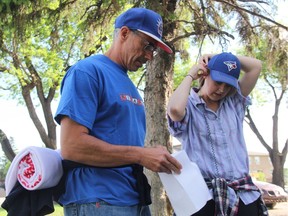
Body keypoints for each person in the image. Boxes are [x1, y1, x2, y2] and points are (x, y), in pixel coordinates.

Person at [54, 7, 182, 216]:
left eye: (154, 50)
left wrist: (151, 154)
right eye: (147, 45)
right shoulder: (87, 71)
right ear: (124, 33)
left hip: (134, 199)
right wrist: (141, 155)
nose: (150, 56)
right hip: (97, 200)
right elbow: (72, 146)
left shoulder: (128, 83)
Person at [167, 52, 268, 216]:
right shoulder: (189, 106)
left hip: (243, 196)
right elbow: (175, 110)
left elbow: (256, 66)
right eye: (218, 82)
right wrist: (190, 75)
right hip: (203, 197)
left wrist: (218, 57)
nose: (222, 89)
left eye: (228, 85)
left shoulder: (233, 102)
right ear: (206, 75)